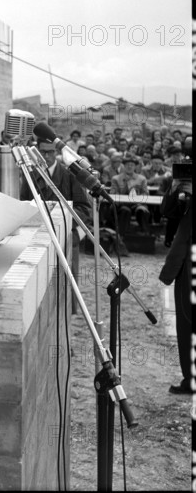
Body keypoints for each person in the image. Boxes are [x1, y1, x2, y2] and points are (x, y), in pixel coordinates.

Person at [20, 132, 92, 313]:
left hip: (65, 236)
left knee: (67, 284)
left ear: (56, 153)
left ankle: (68, 312)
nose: (46, 156)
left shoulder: (69, 175)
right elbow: (23, 205)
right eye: (42, 152)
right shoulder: (30, 175)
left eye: (50, 152)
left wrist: (64, 222)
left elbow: (84, 208)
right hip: (38, 238)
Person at [158, 146, 191, 394]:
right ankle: (189, 378)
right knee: (186, 322)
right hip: (186, 264)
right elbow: (168, 213)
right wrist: (175, 188)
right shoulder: (180, 184)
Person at [109, 153, 151, 238]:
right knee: (125, 210)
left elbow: (146, 193)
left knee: (142, 210)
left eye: (132, 165)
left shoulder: (141, 179)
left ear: (135, 167)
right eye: (127, 165)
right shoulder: (116, 178)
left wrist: (139, 201)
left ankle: (145, 234)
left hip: (138, 204)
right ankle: (121, 236)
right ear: (124, 166)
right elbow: (113, 193)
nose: (129, 167)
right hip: (122, 204)